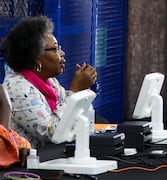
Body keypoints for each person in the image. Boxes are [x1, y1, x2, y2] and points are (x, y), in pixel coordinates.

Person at [2, 15, 97, 147]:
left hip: (51, 156)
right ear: (37, 57)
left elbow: (74, 120)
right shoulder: (18, 89)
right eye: (55, 49)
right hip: (30, 162)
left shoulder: (50, 82)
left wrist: (81, 92)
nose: (62, 53)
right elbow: (53, 133)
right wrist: (75, 91)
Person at [0, 83, 31, 168]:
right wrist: (5, 106)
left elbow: (23, 145)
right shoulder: (18, 87)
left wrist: (12, 149)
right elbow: (50, 132)